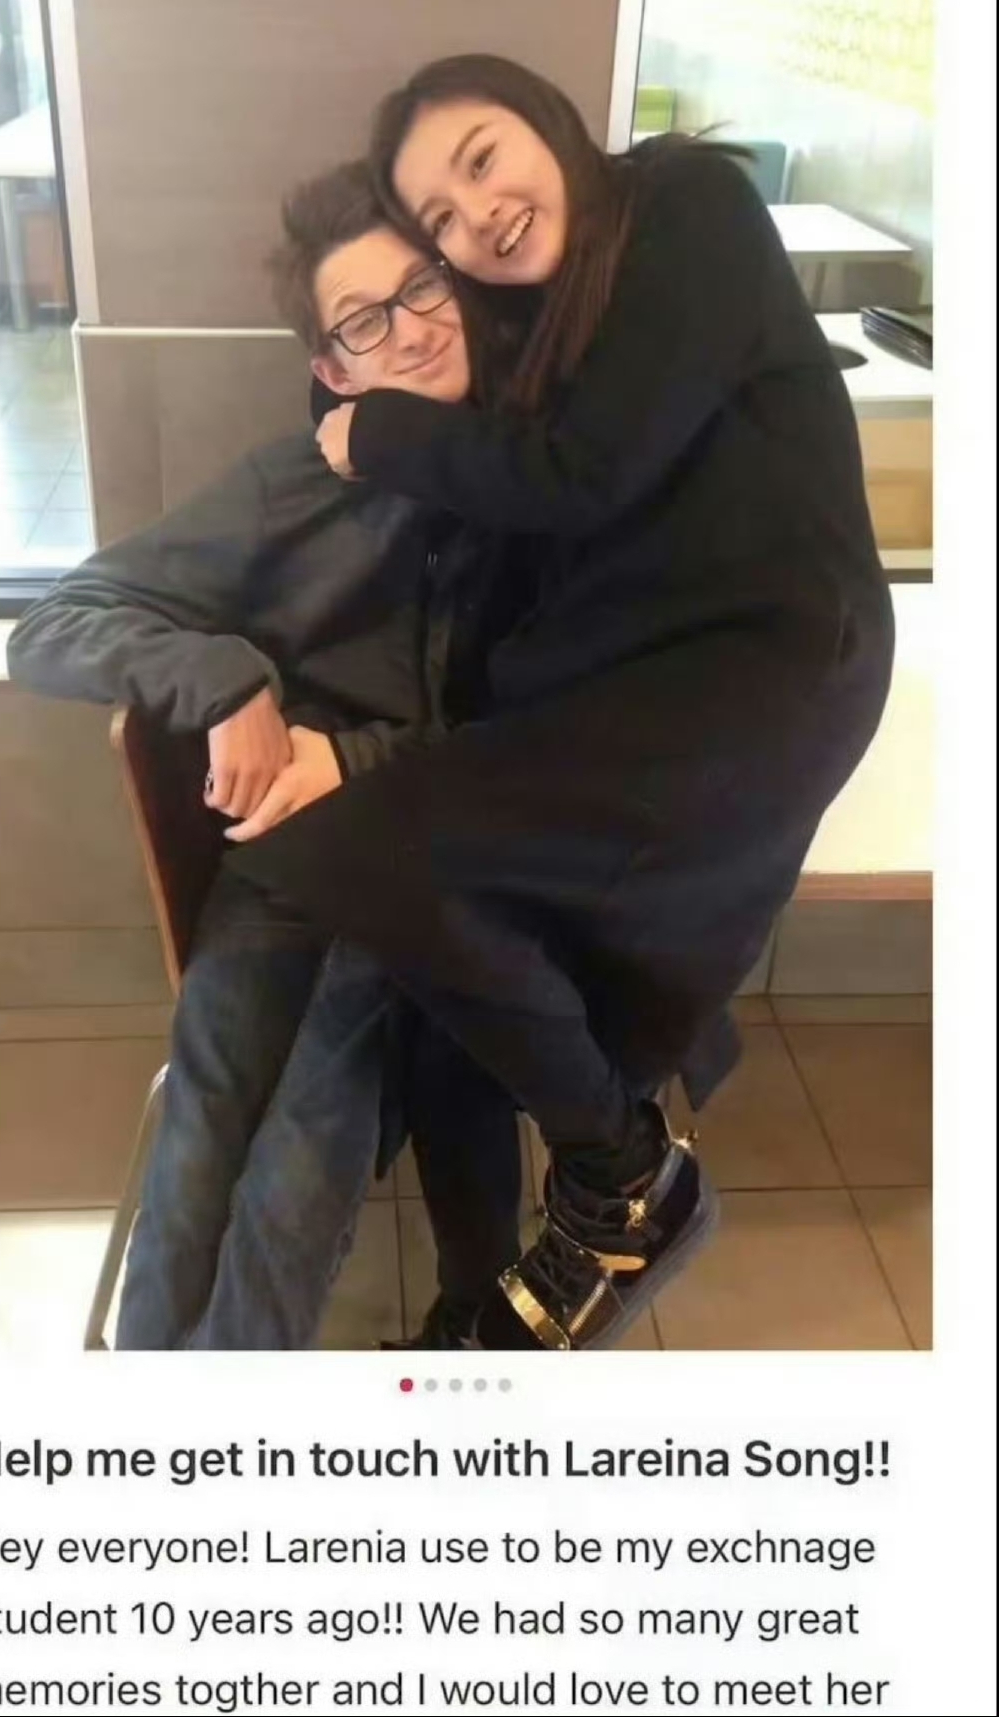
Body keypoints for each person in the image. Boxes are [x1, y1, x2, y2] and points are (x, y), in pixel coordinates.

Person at [221, 55, 896, 1352]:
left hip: (766, 667)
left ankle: (623, 1169)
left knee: (362, 855)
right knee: (438, 991)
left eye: (481, 159)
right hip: (629, 677)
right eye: (441, 218)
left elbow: (586, 470)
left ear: (546, 118)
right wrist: (353, 393)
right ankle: (476, 1315)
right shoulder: (535, 307)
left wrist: (379, 436)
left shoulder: (688, 203)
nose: (479, 215)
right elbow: (360, 388)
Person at [7, 160, 525, 1351]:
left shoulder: (545, 484)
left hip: (449, 875)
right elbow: (53, 627)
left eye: (424, 287)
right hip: (289, 866)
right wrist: (224, 672)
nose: (411, 329)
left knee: (303, 1151)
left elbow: (558, 732)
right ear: (333, 370)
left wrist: (359, 756)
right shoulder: (292, 489)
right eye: (364, 321)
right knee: (205, 1129)